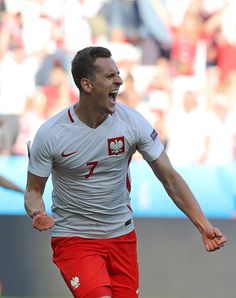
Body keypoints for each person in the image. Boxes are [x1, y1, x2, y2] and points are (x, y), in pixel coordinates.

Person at [24, 46, 227, 298]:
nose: (119, 80)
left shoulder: (132, 123)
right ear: (87, 85)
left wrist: (203, 225)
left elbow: (169, 177)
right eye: (110, 76)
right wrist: (37, 211)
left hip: (121, 236)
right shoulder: (51, 134)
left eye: (118, 74)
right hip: (75, 238)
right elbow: (33, 190)